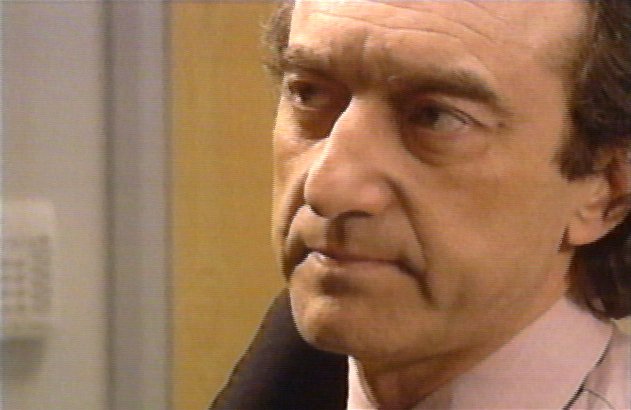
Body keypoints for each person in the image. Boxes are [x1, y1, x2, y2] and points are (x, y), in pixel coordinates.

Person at [212, 0, 631, 408]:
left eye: (435, 117)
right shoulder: (281, 378)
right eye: (309, 93)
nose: (327, 190)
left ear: (606, 190)